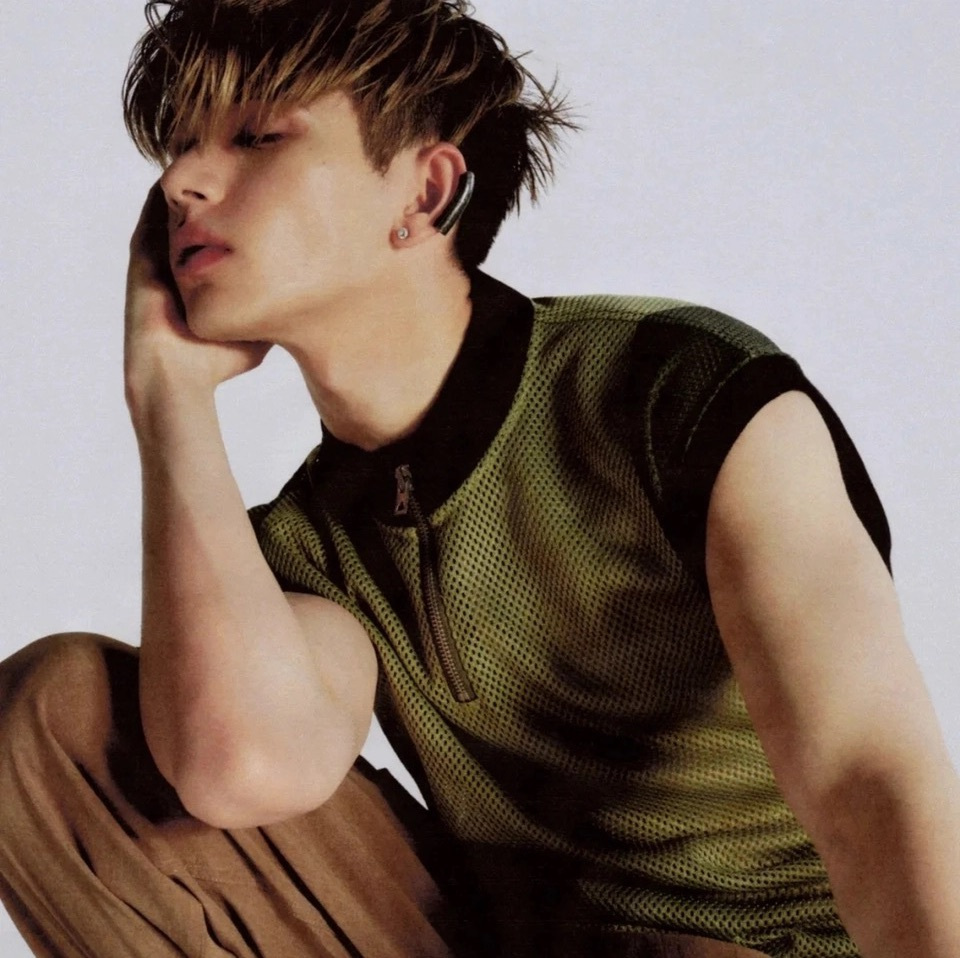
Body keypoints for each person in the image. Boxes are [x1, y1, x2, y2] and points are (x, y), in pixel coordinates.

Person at [1, 0, 958, 956]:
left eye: (256, 138)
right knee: (55, 718)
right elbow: (242, 770)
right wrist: (168, 401)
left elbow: (867, 779)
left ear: (425, 194)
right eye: (179, 146)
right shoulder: (303, 544)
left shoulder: (673, 393)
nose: (181, 182)